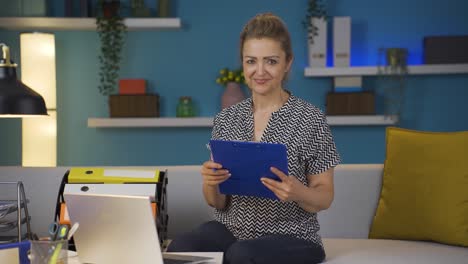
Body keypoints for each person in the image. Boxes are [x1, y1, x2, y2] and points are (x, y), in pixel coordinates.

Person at [167, 13, 341, 264]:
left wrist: (298, 191)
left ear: (287, 62)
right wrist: (210, 182)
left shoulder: (310, 118)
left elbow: (325, 197)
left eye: (271, 61)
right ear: (243, 64)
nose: (260, 72)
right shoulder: (226, 119)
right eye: (251, 61)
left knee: (241, 255)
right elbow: (217, 201)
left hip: (293, 236)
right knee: (182, 245)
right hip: (233, 231)